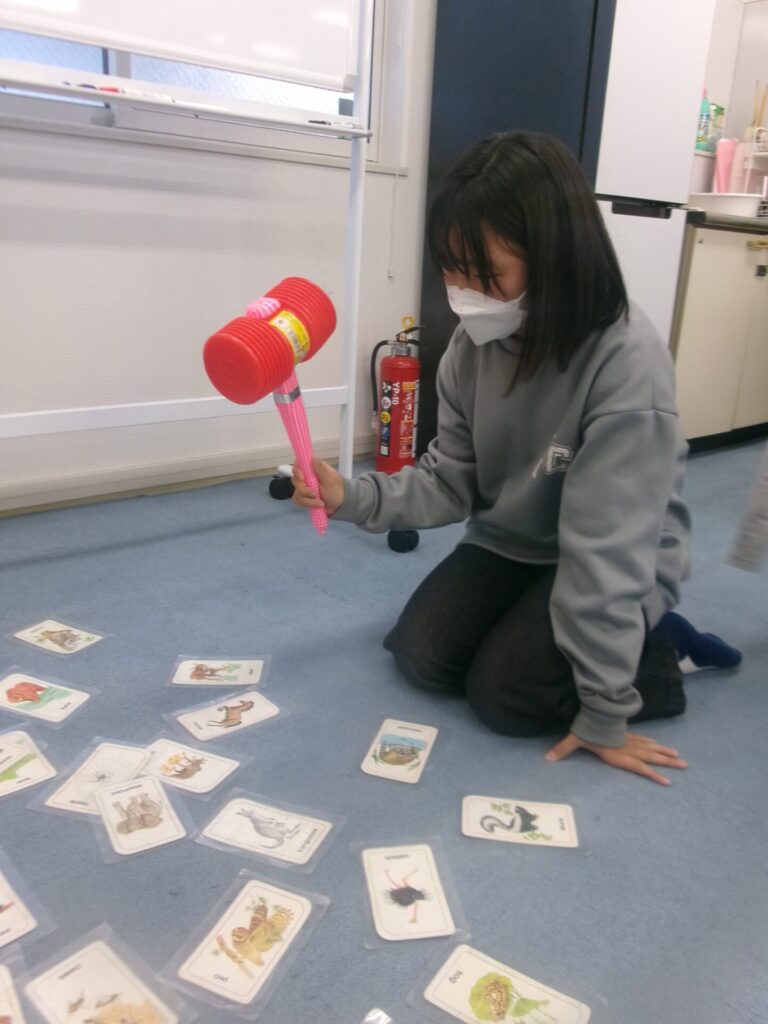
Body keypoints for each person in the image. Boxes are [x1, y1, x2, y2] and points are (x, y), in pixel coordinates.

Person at [292, 130, 737, 786]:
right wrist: (351, 496)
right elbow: (451, 479)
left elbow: (607, 553)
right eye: (450, 269)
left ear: (553, 260)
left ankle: (661, 651)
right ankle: (553, 633)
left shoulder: (625, 362)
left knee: (504, 696)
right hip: (513, 542)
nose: (462, 292)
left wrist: (605, 712)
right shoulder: (472, 346)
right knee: (421, 655)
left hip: (615, 557)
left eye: (486, 275)